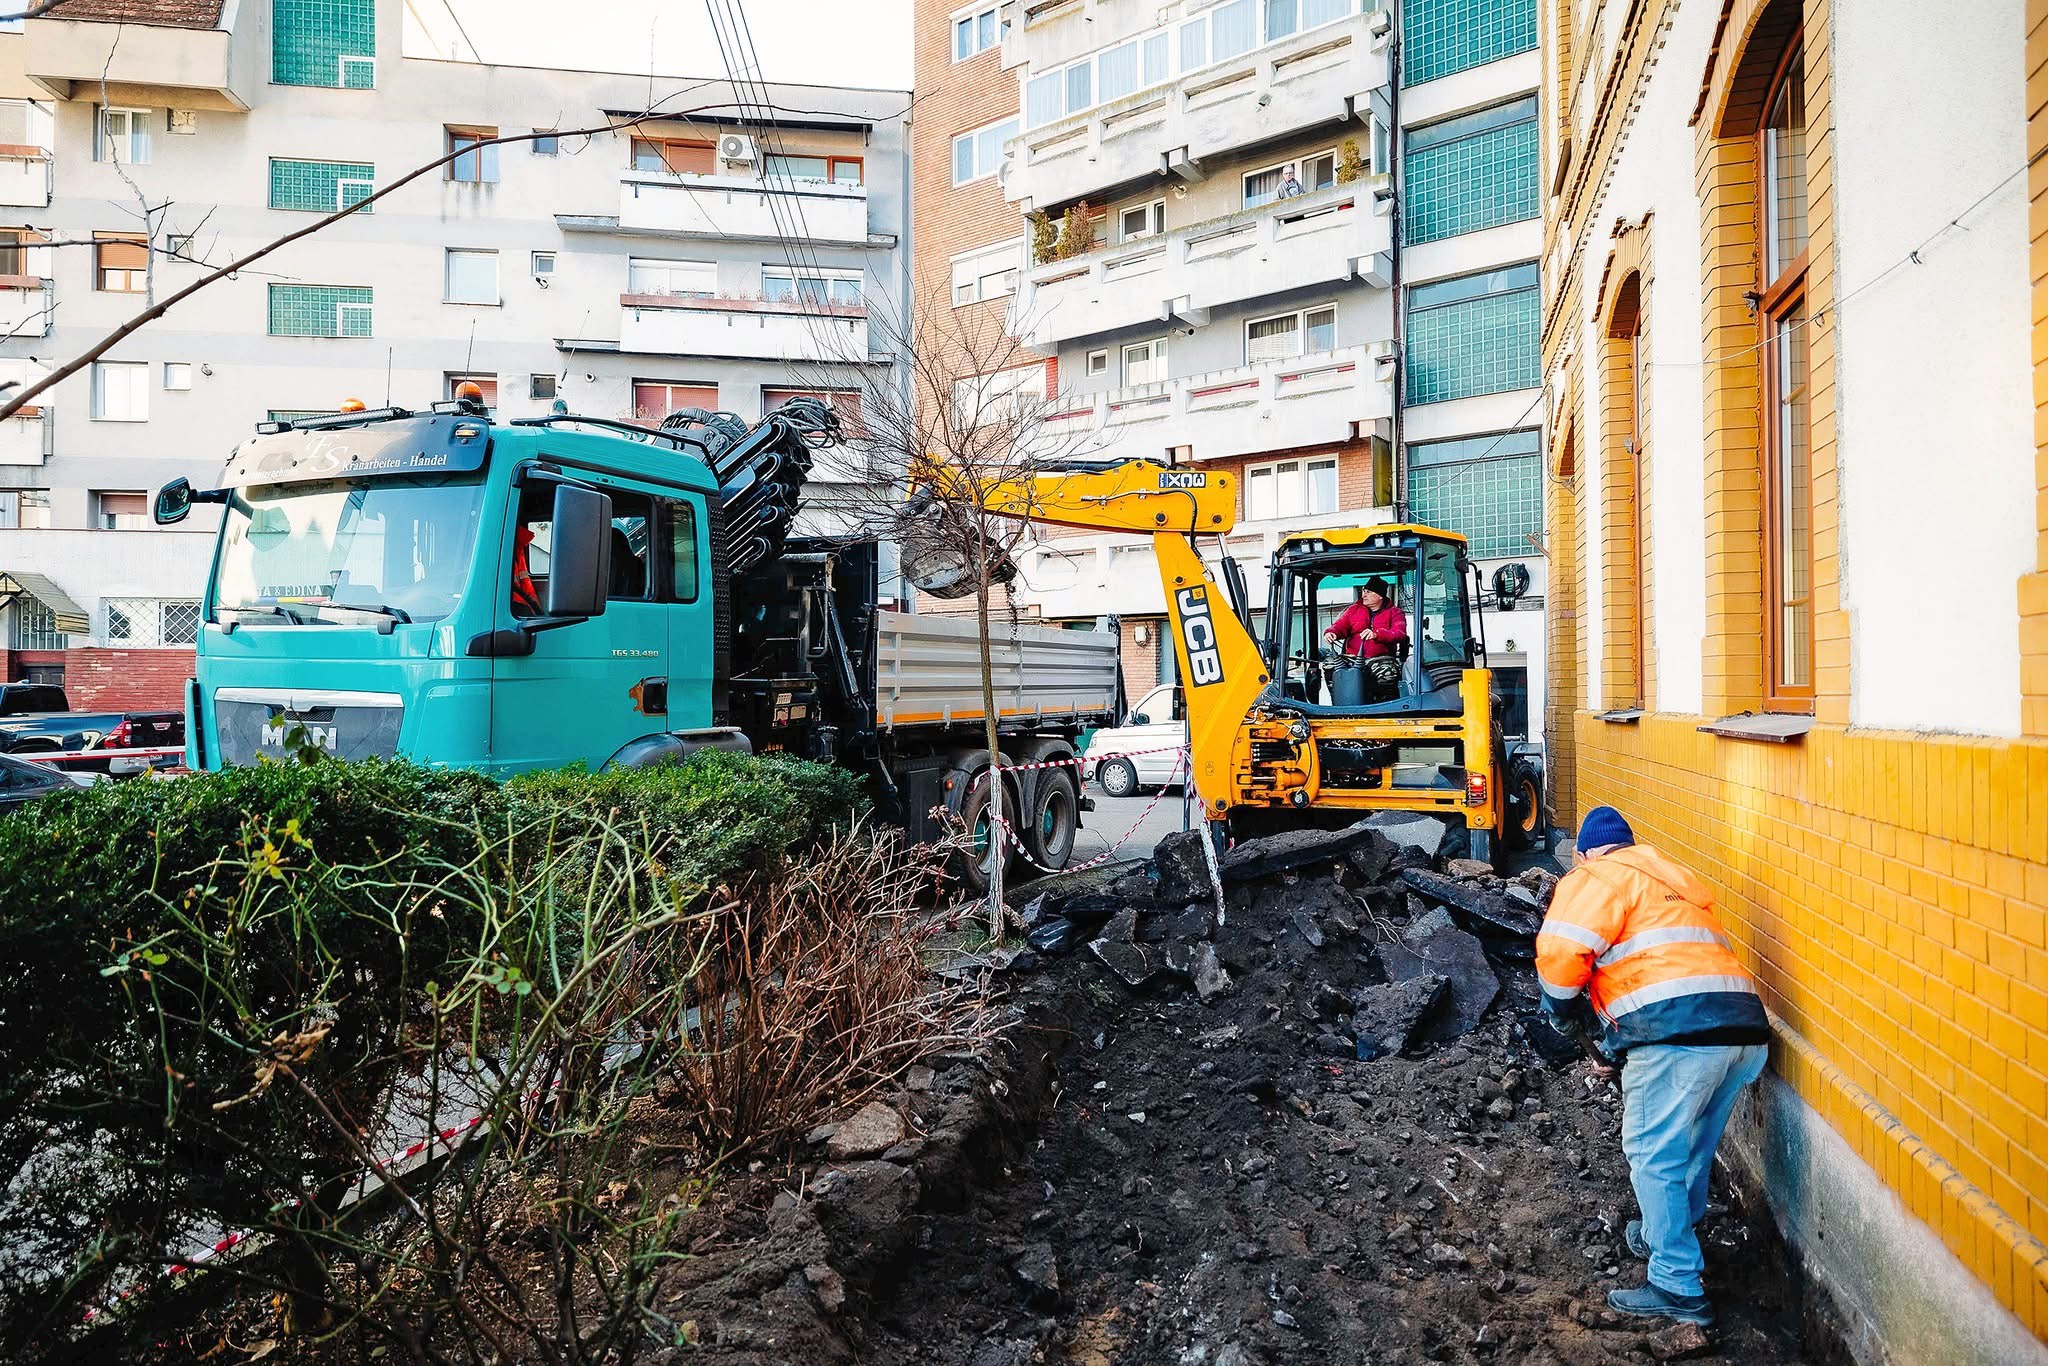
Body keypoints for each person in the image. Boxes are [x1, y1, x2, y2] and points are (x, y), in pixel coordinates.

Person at [1536, 806, 1772, 1327]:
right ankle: (1662, 1236)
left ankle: (1677, 1284)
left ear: (1583, 852)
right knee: (1689, 1150)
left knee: (1652, 1154)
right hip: (1741, 1031)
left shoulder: (1595, 876)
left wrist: (1557, 1008)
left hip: (1677, 1037)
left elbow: (1559, 956)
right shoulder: (1673, 876)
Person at [1323, 577, 1405, 659]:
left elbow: (1399, 634)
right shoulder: (1353, 609)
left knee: (1386, 671)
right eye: (1364, 591)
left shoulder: (1395, 612)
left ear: (1380, 596)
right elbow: (1340, 625)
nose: (1364, 595)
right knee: (1332, 667)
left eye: (1368, 592)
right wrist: (1331, 632)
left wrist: (1377, 634)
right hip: (1353, 659)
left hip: (1381, 659)